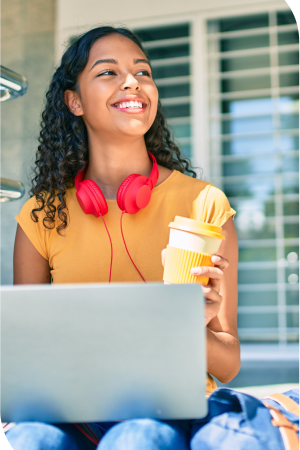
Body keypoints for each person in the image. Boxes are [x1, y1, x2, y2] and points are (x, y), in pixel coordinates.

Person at [6, 25, 240, 450]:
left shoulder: (204, 204)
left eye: (142, 72)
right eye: (108, 72)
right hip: (70, 413)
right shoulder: (41, 215)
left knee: (138, 436)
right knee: (28, 438)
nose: (133, 81)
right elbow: (26, 360)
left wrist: (191, 325)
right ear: (73, 101)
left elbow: (228, 365)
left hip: (165, 412)